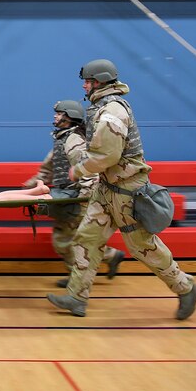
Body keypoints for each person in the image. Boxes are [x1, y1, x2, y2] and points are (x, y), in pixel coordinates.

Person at [47, 59, 196, 319]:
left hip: (126, 191)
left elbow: (107, 155)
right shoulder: (102, 108)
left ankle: (186, 288)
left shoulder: (112, 112)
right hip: (107, 188)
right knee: (87, 239)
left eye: (87, 81)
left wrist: (79, 170)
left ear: (100, 81)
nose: (84, 86)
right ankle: (76, 298)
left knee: (143, 247)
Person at [24, 100, 124, 288]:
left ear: (69, 117)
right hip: (68, 197)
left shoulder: (74, 141)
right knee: (74, 239)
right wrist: (31, 184)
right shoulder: (63, 138)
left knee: (65, 240)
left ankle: (77, 278)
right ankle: (109, 256)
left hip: (78, 199)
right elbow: (49, 167)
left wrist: (85, 198)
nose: (55, 116)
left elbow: (89, 170)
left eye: (59, 113)